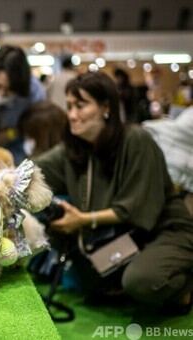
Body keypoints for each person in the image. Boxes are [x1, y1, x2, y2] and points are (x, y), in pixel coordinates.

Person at [33, 71, 193, 315]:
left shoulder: (136, 140)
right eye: (69, 106)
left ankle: (183, 289)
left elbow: (136, 208)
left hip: (164, 230)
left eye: (81, 105)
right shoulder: (75, 147)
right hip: (125, 235)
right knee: (91, 281)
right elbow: (31, 170)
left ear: (106, 107)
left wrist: (83, 220)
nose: (72, 115)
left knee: (141, 281)